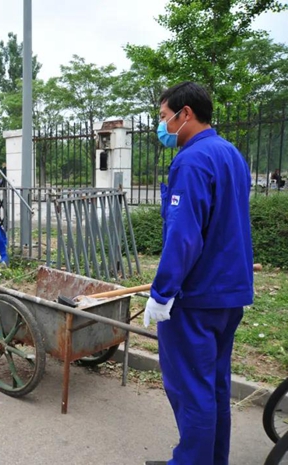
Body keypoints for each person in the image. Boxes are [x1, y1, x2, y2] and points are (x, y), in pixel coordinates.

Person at [144, 82, 253, 465]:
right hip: (229, 294)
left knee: (191, 388)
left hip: (195, 298)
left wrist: (162, 293)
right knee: (214, 385)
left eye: (164, 117)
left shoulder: (191, 160)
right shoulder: (231, 154)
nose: (162, 126)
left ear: (185, 113)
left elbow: (184, 235)